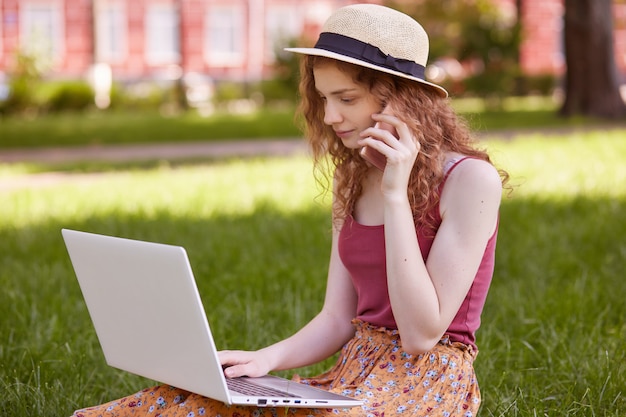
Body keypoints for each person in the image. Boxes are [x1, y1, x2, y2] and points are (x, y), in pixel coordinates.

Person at [71, 3, 507, 417]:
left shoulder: (470, 182)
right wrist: (265, 360)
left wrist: (396, 196)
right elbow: (337, 318)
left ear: (403, 99)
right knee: (179, 403)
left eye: (347, 98)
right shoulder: (352, 177)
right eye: (324, 99)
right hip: (354, 373)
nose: (332, 116)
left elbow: (420, 336)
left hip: (429, 384)